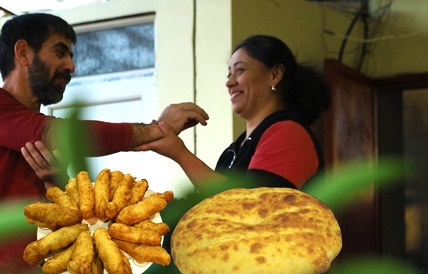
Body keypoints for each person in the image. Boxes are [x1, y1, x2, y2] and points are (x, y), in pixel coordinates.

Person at [0, 12, 208, 274]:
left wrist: (55, 180)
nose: (71, 65)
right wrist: (155, 130)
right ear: (23, 53)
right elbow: (62, 134)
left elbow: (64, 221)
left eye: (70, 55)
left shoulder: (41, 133)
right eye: (60, 52)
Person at [137, 34, 330, 192]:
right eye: (229, 74)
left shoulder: (288, 133)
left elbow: (249, 209)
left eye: (240, 71)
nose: (229, 83)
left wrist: (180, 153)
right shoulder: (234, 150)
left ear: (274, 75)